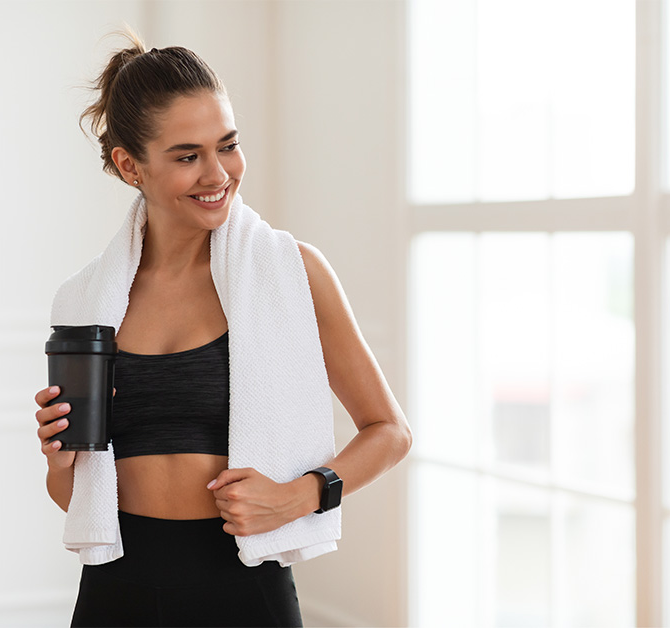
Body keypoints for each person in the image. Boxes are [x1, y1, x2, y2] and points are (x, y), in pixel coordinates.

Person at [33, 28, 412, 627]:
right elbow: (78, 501)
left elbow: (390, 430)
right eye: (188, 156)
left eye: (228, 145)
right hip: (116, 588)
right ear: (129, 166)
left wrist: (302, 495)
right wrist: (59, 463)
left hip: (241, 589)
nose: (219, 173)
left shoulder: (294, 273)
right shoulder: (88, 299)